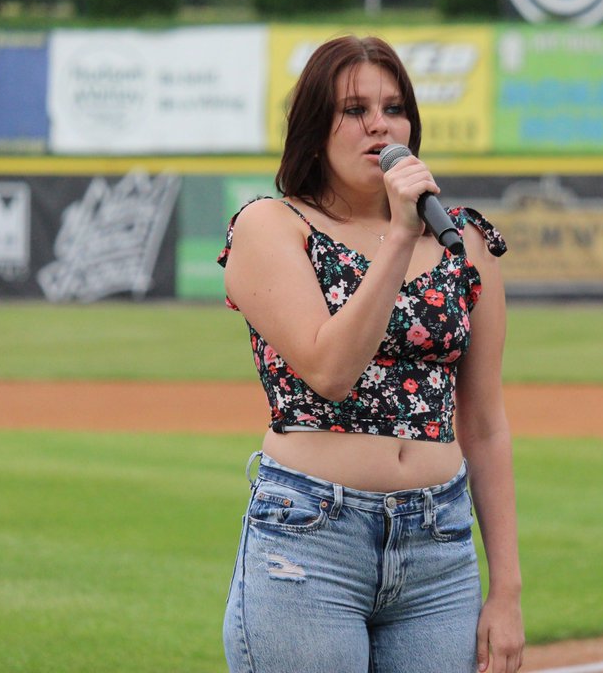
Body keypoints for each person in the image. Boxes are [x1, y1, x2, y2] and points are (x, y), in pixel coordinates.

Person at [219, 35, 523, 673]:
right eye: (354, 109)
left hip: (439, 547)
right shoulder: (272, 227)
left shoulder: (462, 240)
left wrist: (507, 591)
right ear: (313, 129)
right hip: (309, 541)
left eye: (394, 108)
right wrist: (399, 234)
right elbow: (331, 369)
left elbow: (487, 425)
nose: (379, 124)